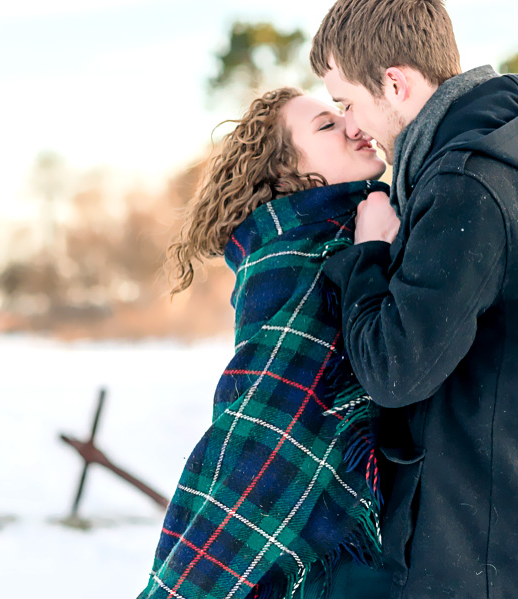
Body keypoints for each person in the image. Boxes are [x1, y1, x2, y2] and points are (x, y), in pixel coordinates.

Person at [308, 1, 518, 598]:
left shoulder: (465, 183)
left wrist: (368, 255)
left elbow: (395, 371)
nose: (349, 124)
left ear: (394, 84)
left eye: (348, 102)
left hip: (479, 553)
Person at [137, 87, 393, 599]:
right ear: (286, 172)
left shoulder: (368, 220)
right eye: (326, 126)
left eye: (341, 112)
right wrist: (370, 253)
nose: (351, 124)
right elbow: (272, 427)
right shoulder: (290, 259)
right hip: (325, 561)